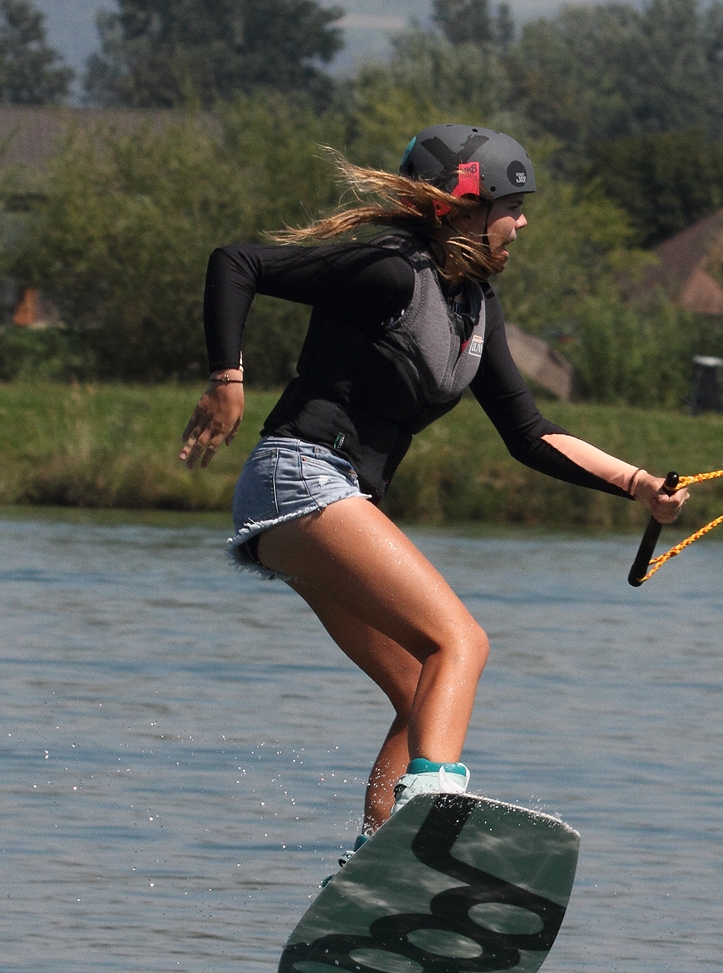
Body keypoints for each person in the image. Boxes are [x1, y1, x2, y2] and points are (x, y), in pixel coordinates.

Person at [177, 124, 687, 872]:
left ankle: (379, 859)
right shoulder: (390, 270)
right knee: (463, 642)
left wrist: (638, 483)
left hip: (324, 496)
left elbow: (529, 431)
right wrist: (227, 380)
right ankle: (431, 819)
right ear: (463, 207)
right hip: (302, 474)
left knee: (424, 692)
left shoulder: (475, 311)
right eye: (512, 205)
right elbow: (238, 262)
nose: (524, 222)